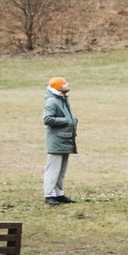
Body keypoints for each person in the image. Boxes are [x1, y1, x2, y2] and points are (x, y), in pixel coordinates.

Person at [41, 77, 78, 205]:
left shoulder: (62, 100)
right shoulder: (52, 101)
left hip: (65, 138)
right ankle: (49, 194)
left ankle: (58, 193)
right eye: (64, 83)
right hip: (57, 140)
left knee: (61, 169)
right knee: (53, 168)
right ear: (58, 87)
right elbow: (47, 119)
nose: (67, 84)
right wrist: (67, 121)